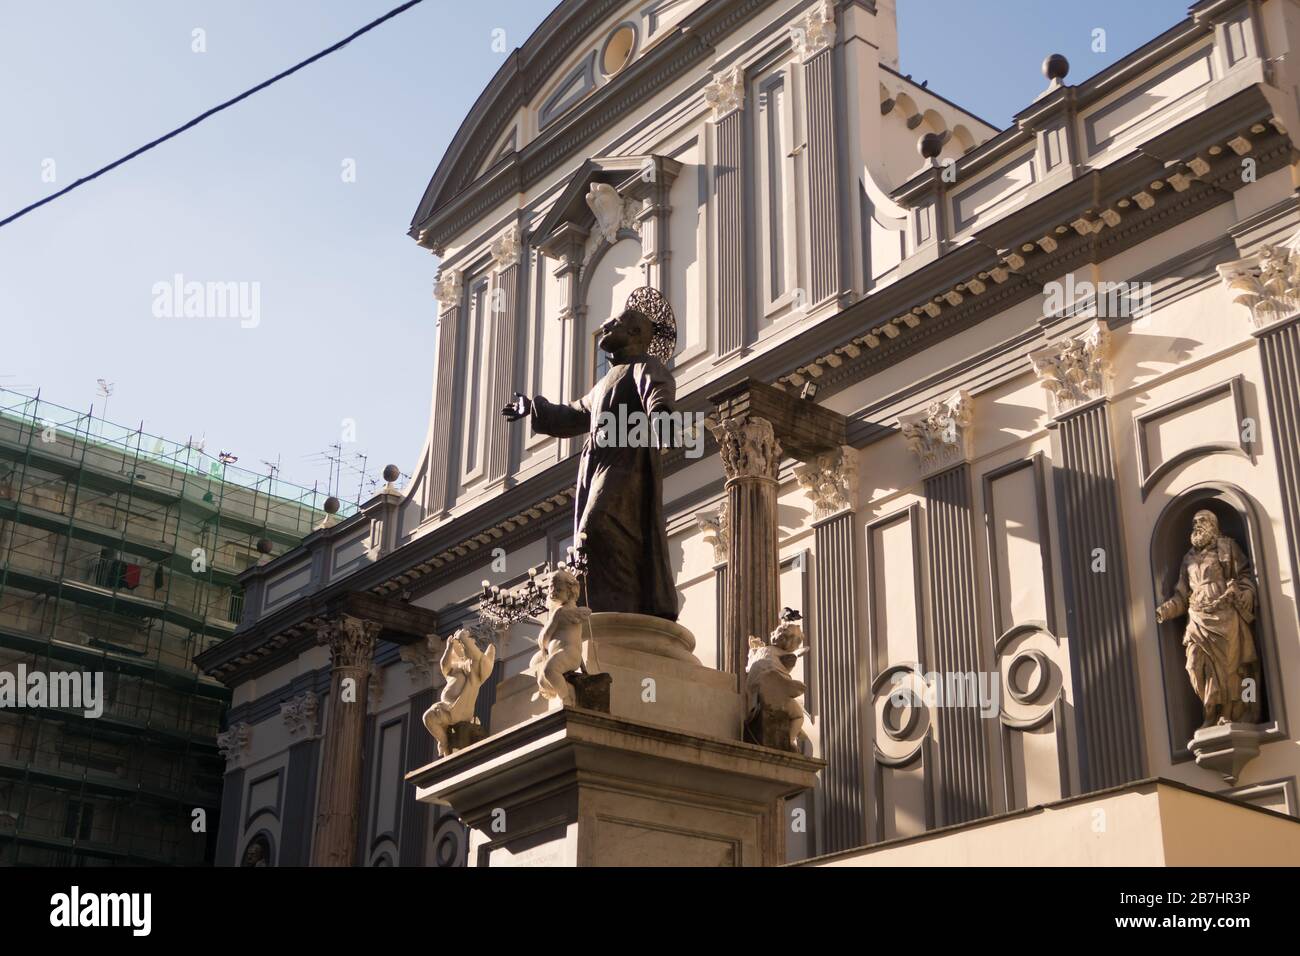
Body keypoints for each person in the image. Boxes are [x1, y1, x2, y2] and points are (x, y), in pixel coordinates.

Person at [502, 290, 679, 620]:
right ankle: (601, 611)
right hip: (597, 466)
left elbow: (659, 394)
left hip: (626, 464)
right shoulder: (603, 384)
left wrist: (663, 418)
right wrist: (533, 407)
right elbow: (573, 415)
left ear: (638, 334)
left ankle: (622, 614)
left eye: (618, 322)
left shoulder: (645, 366)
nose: (607, 324)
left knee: (598, 526)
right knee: (587, 542)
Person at [1156, 509, 1261, 727]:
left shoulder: (1227, 546)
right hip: (1197, 617)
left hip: (1226, 616)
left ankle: (1228, 714)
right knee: (1194, 665)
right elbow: (1181, 595)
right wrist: (1165, 610)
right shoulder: (1188, 558)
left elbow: (1244, 575)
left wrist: (1246, 592)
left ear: (1213, 524)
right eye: (1195, 522)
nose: (1197, 525)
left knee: (1229, 668)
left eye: (1202, 521)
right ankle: (1209, 710)